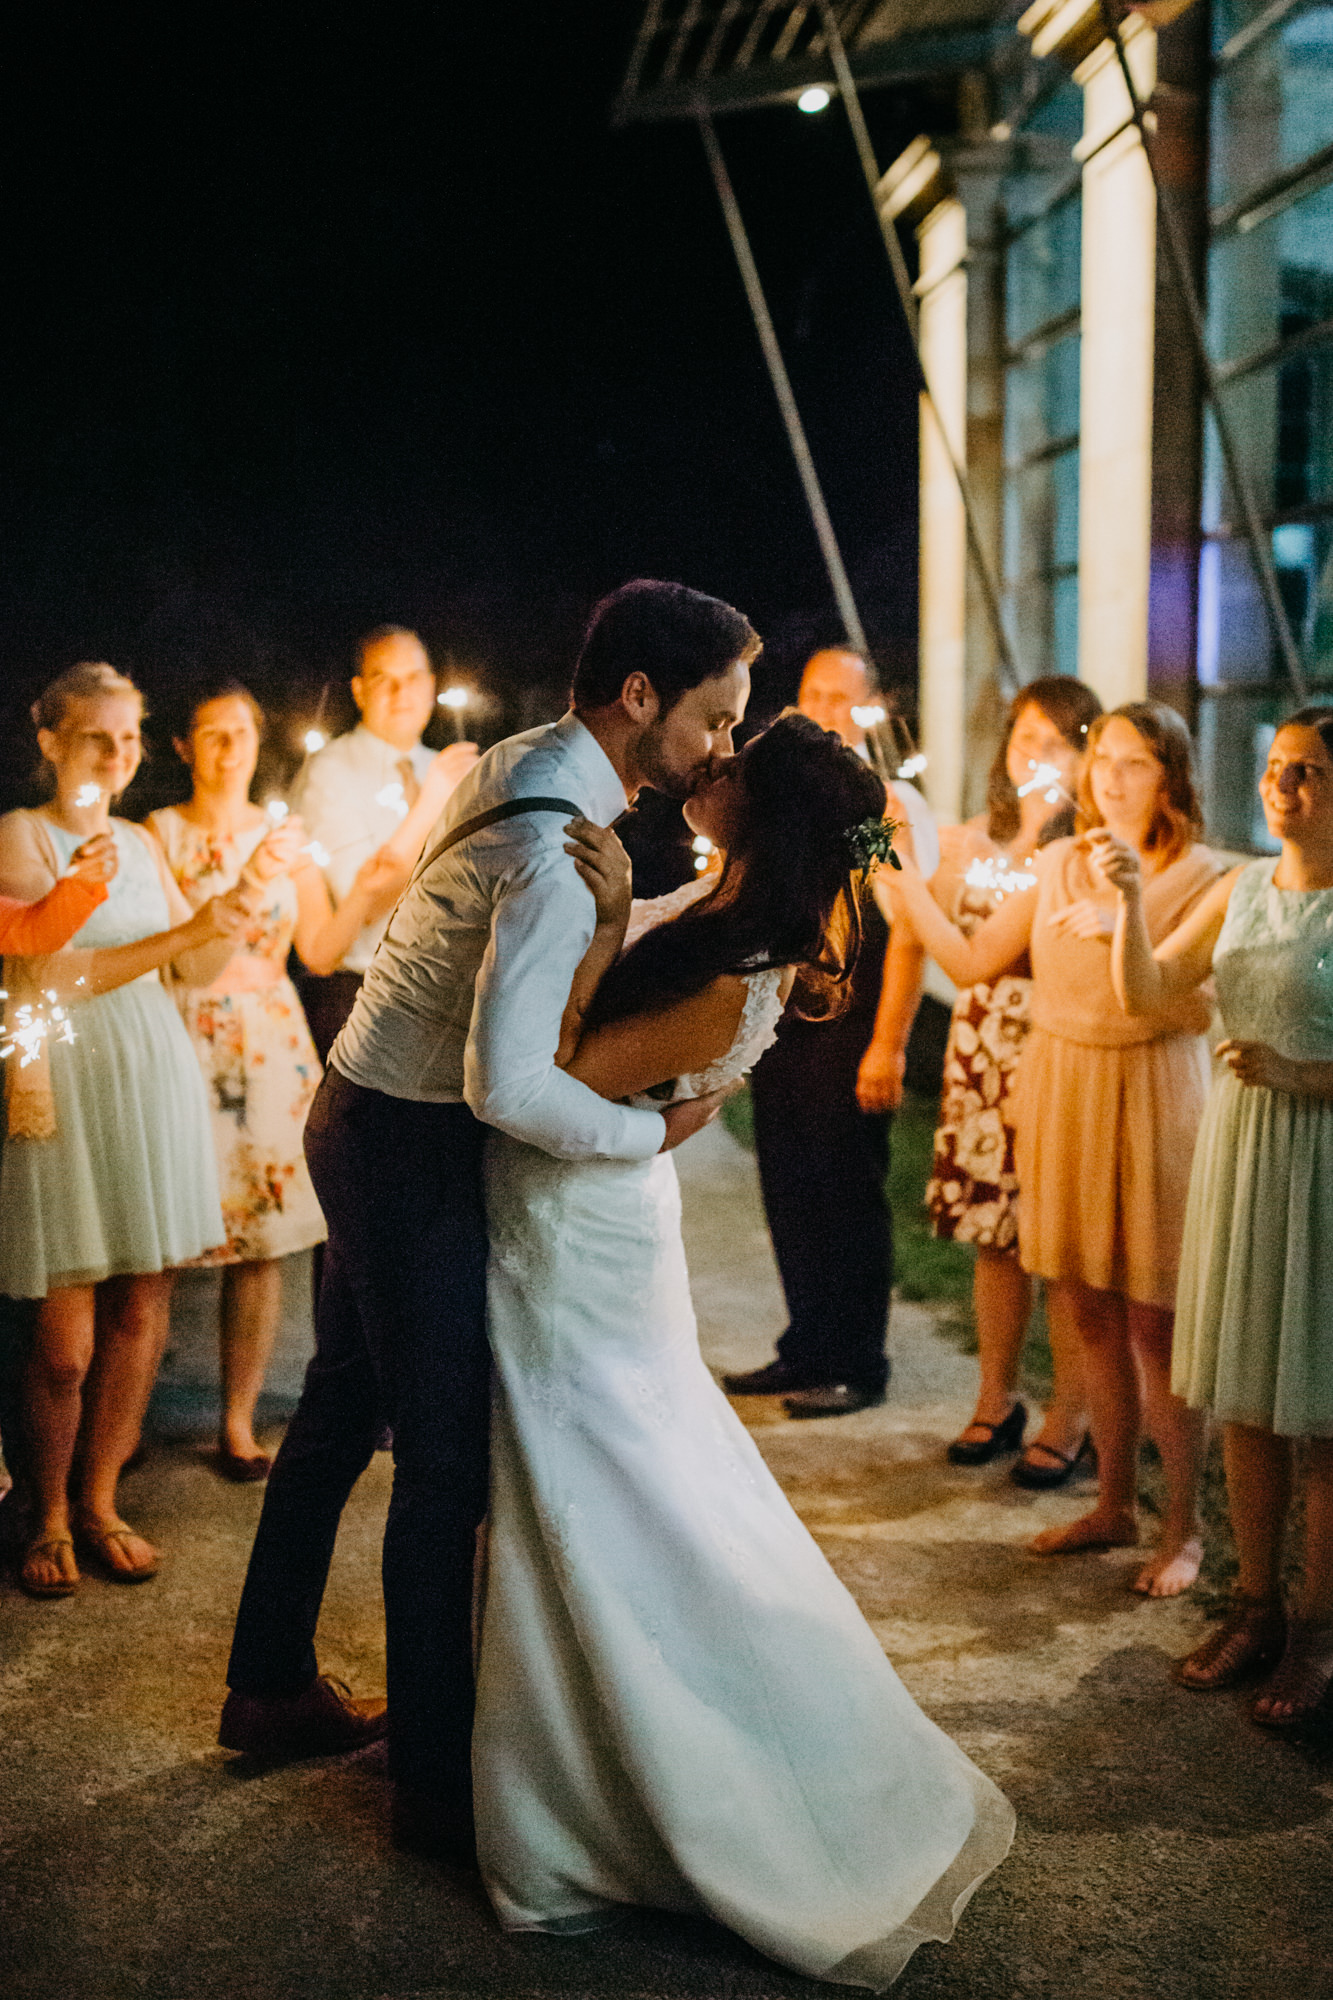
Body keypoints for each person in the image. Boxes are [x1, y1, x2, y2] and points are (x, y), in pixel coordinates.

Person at [473, 711, 1014, 1987]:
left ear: (759, 815)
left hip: (576, 1229)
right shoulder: (726, 908)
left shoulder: (736, 961)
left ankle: (638, 1791)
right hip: (598, 1221)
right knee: (613, 1471)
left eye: (731, 764)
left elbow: (566, 1070)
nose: (706, 767)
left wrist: (603, 919)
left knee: (603, 1484)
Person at [216, 580, 753, 1859]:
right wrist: (651, 1132)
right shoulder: (551, 844)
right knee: (443, 1461)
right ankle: (442, 1785)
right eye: (715, 719)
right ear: (640, 698)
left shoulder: (530, 763)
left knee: (344, 1402)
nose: (725, 747)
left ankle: (269, 1681)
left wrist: (637, 910)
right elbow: (506, 1083)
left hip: (359, 1107)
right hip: (403, 1141)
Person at [889, 703, 1220, 1596]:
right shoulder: (1055, 863)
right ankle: (1112, 1504)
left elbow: (1172, 1006)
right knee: (1084, 1313)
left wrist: (1124, 908)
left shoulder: (1210, 876)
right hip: (1062, 1090)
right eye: (1103, 760)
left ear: (1172, 777)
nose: (1111, 778)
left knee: (1156, 1323)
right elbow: (964, 962)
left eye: (1137, 763)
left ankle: (1181, 1532)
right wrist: (899, 872)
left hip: (1154, 1096)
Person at [1099, 708, 1333, 1727]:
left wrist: (1301, 1072)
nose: (1287, 784)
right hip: (1242, 1156)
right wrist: (1123, 905)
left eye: (1313, 771)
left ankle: (1318, 1630)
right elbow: (1149, 990)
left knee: (1320, 1411)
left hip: (1321, 1159)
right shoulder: (1242, 888)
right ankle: (1253, 1605)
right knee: (1245, 1389)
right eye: (1279, 765)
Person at [0, 663, 248, 1599]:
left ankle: (100, 1502)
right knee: (64, 1343)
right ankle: (47, 1508)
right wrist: (182, 939)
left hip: (151, 1077)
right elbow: (54, 975)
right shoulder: (22, 837)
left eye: (131, 737)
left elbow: (201, 963)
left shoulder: (143, 841)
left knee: (144, 1309)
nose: (120, 753)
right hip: (65, 1085)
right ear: (51, 741)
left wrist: (235, 898)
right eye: (99, 736)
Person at [725, 645, 939, 1418]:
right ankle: (804, 1345)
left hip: (854, 1022)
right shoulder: (782, 799)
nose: (823, 707)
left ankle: (857, 1360)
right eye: (813, 692)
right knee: (788, 1183)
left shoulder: (880, 804)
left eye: (840, 696)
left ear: (869, 705)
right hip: (789, 1021)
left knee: (847, 1191)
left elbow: (908, 928)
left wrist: (888, 1044)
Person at [918, 677, 1101, 1482]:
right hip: (979, 1046)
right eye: (1025, 736)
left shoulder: (1084, 849)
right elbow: (915, 924)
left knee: (1055, 1245)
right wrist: (903, 855)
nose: (1037, 753)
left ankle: (1072, 1414)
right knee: (993, 1240)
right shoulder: (968, 840)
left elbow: (977, 950)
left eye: (1058, 741)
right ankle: (995, 1398)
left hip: (1049, 1046)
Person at [147, 684, 329, 1482]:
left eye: (244, 734)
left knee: (261, 1242)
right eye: (212, 734)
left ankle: (237, 1420)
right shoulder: (158, 833)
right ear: (183, 747)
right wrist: (250, 880)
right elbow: (189, 956)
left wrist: (391, 866)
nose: (231, 750)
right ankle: (125, 1421)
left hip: (270, 1041)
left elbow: (319, 947)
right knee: (163, 1240)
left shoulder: (287, 832)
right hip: (187, 1032)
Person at [293, 625, 478, 1062]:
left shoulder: (446, 769)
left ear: (432, 687)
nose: (402, 693)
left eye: (413, 678)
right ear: (359, 692)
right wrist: (432, 802)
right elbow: (364, 902)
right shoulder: (331, 770)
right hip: (364, 994)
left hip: (449, 990)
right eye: (384, 680)